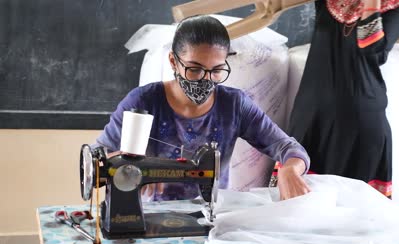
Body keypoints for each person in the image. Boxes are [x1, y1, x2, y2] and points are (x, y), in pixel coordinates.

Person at [95, 15, 311, 201]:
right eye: (195, 69)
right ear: (173, 61)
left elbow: (287, 148)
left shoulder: (234, 105)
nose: (206, 79)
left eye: (216, 70)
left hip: (210, 218)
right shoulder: (143, 102)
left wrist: (290, 168)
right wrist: (123, 165)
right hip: (149, 215)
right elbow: (97, 161)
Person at [288, 0, 399, 197]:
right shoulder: (329, 2)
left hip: (359, 117)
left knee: (352, 210)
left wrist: (371, 4)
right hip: (312, 114)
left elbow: (371, 47)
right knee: (296, 205)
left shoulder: (395, 8)